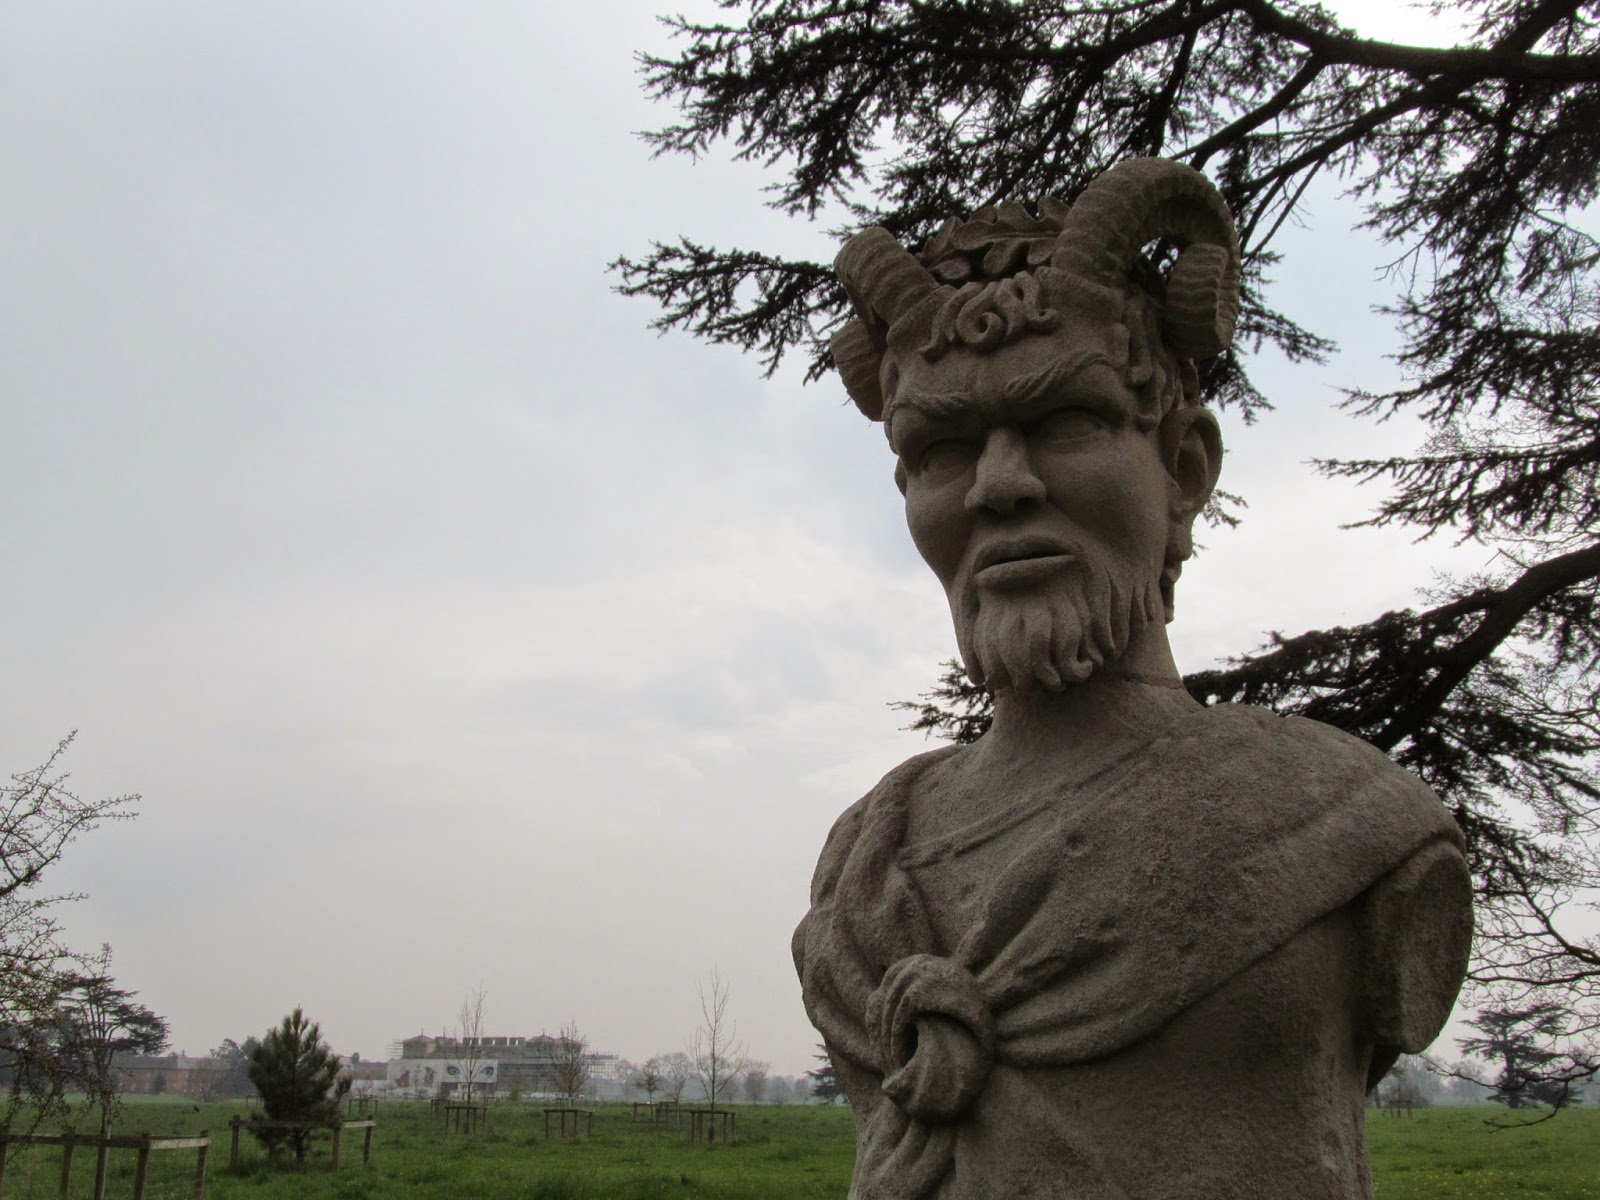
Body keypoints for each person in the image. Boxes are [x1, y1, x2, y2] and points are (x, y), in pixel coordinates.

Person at [793, 159, 1472, 1199]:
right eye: (941, 450)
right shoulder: (864, 861)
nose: (999, 485)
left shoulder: (1342, 821)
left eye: (1067, 421)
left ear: (1184, 471)